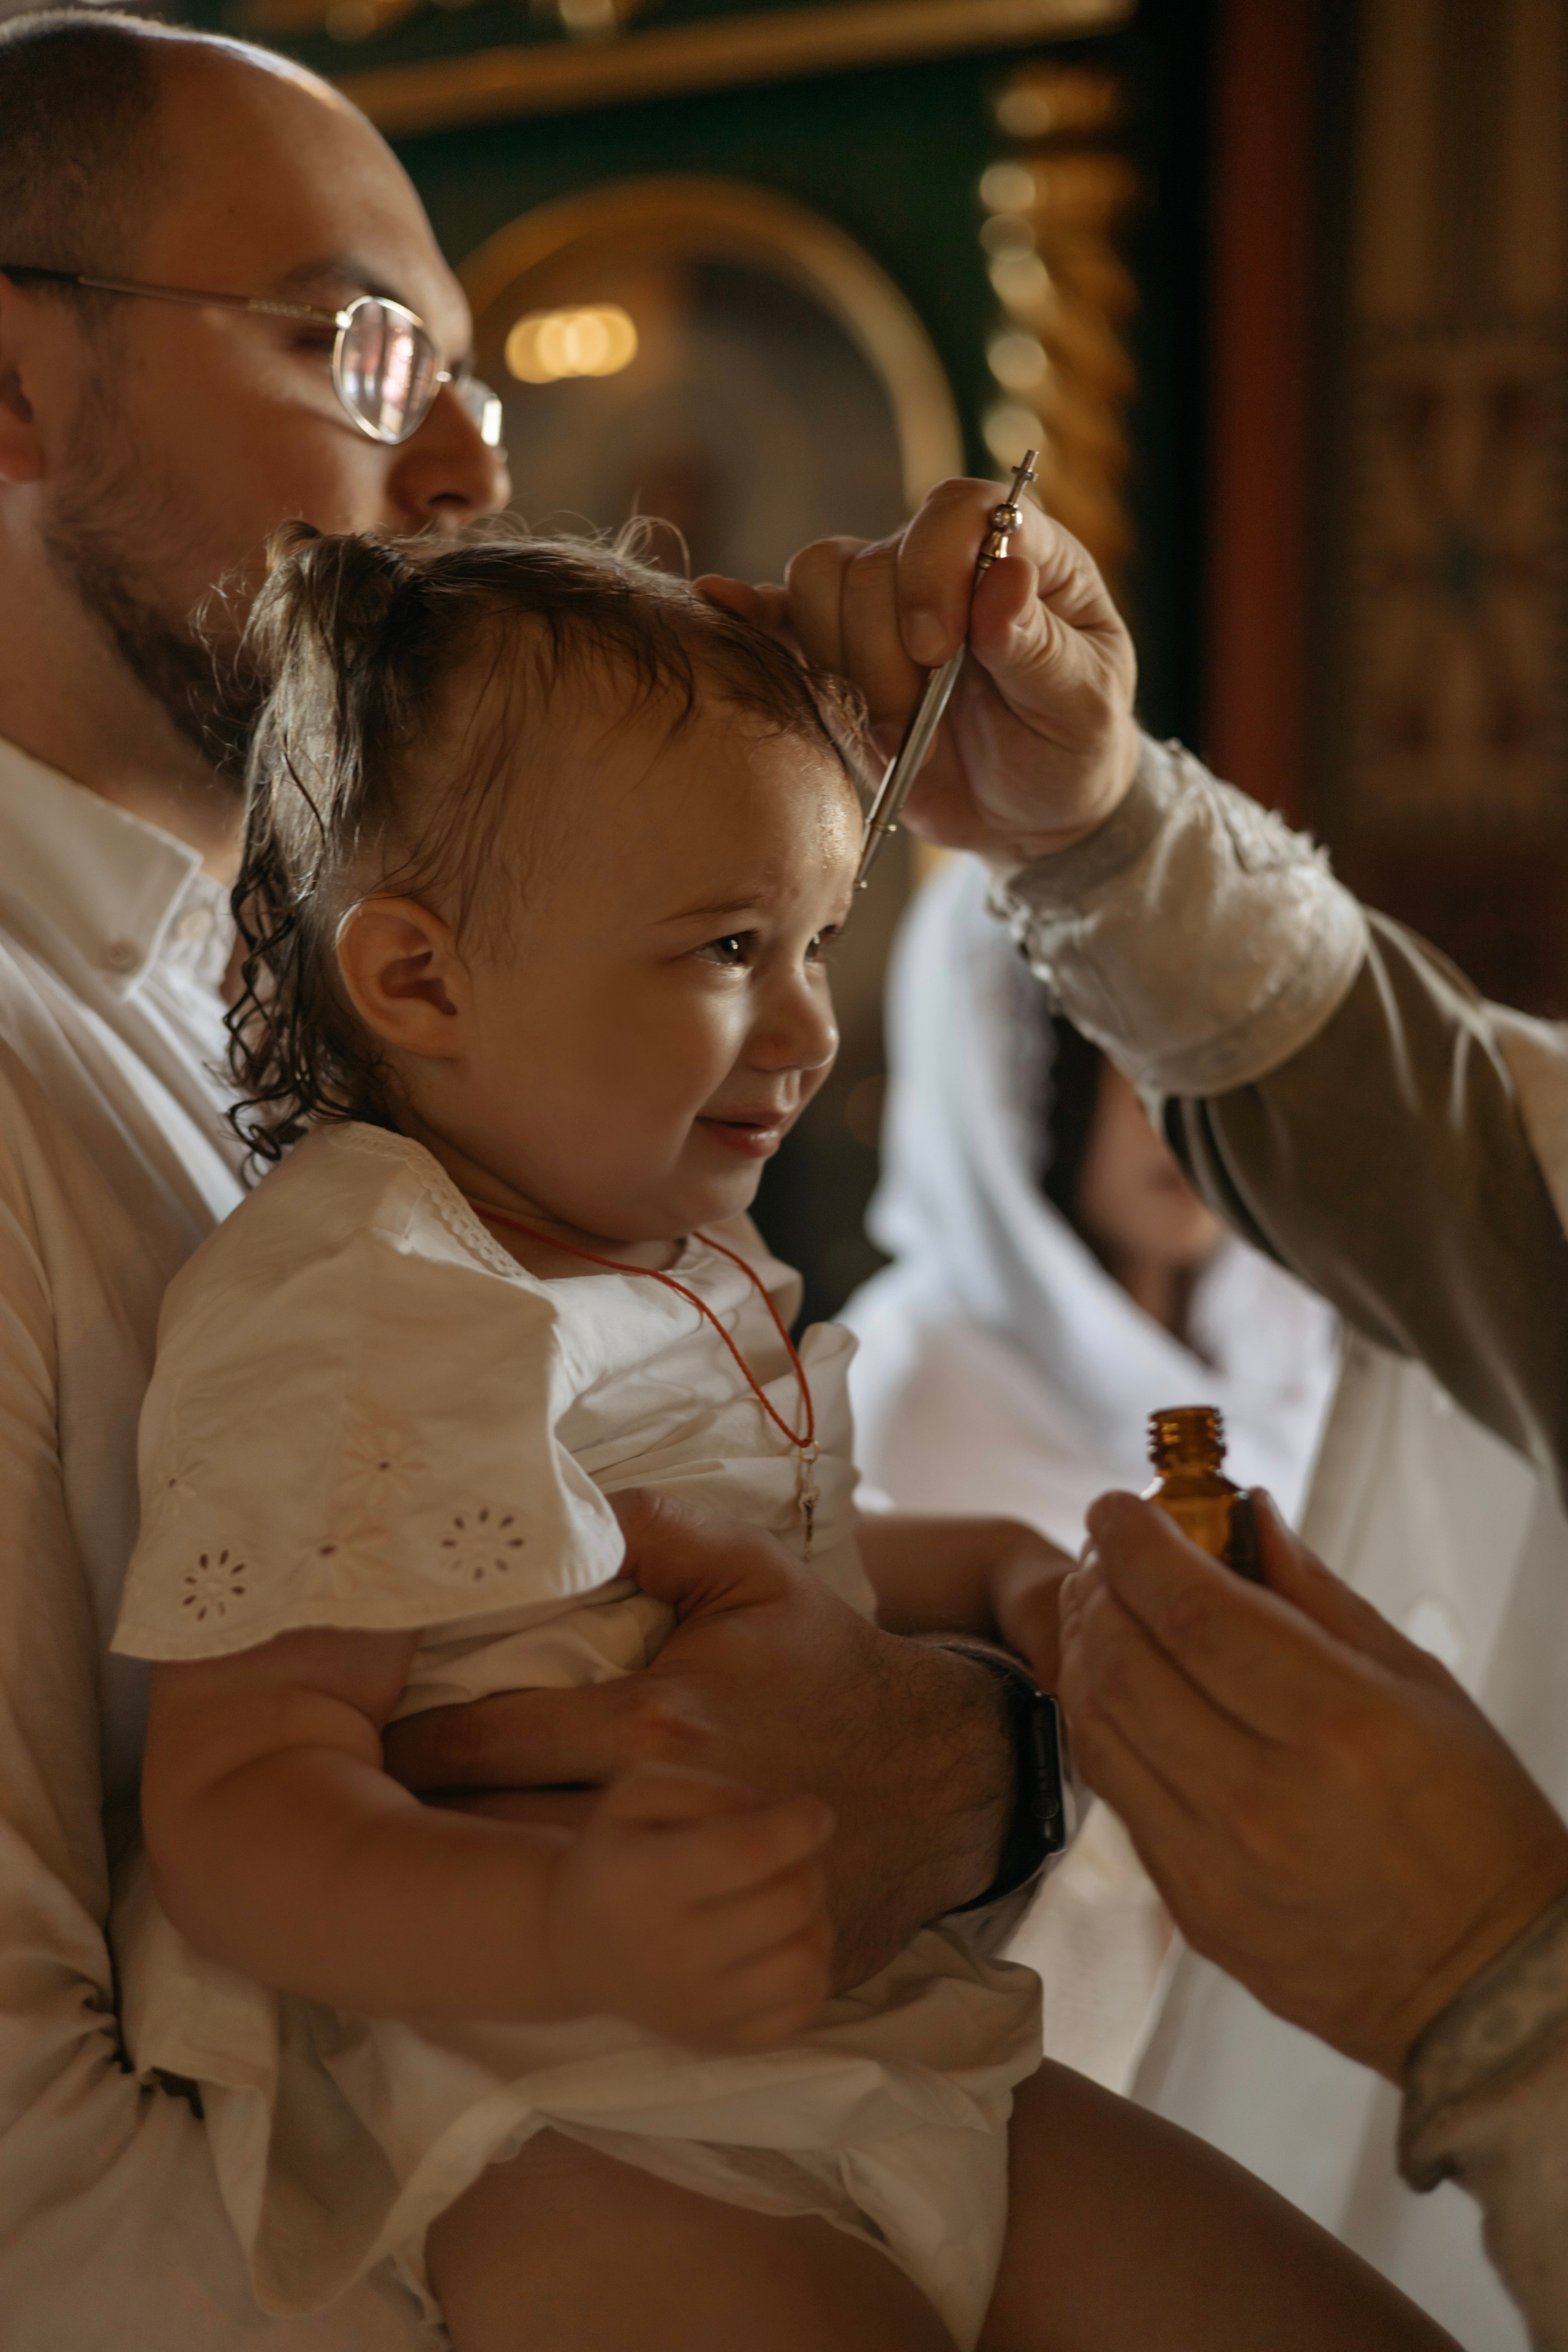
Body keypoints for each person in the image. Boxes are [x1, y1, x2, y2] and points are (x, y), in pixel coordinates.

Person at [0, 17, 1039, 2345]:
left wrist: (993, 1743)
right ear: (11, 390)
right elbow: (31, 2194)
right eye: (359, 340)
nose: (475, 451)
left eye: (470, 363)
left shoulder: (347, 1016)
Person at [738, 477, 1568, 2346]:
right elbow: (1488, 1183)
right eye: (717, 954)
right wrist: (1104, 841)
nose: (775, 1042)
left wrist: (1493, 1978)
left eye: (789, 959)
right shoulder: (904, 1384)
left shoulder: (1275, 1367)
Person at [840, 850, 1336, 2088]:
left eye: (1208, 1054)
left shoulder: (1297, 1387)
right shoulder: (916, 1389)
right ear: (1014, 1076)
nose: (1176, 1107)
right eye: (1123, 1054)